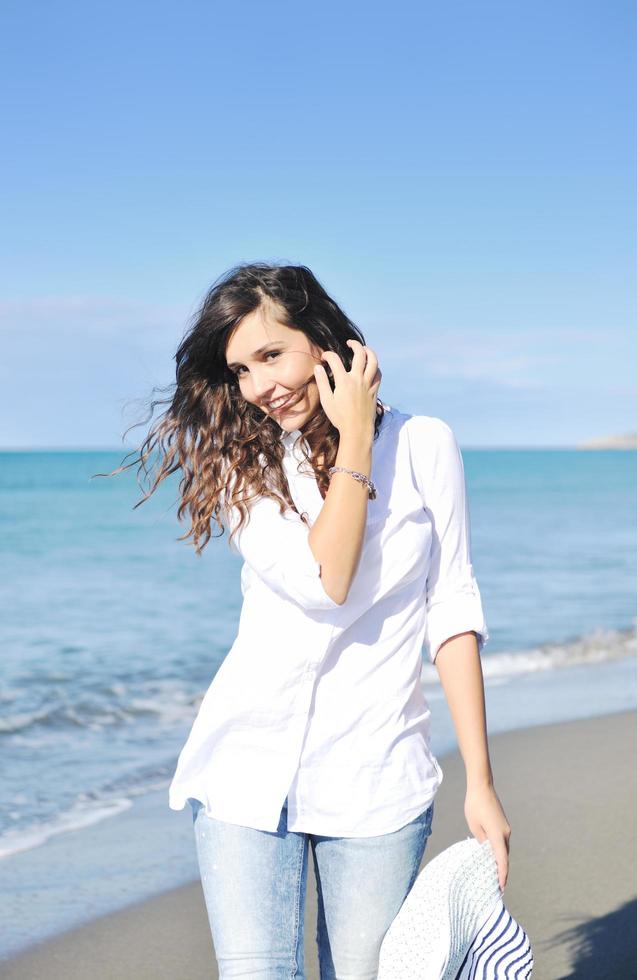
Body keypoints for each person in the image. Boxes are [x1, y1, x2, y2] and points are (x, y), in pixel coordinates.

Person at [120, 262, 511, 979]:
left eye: (271, 355)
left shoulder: (425, 444)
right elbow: (325, 579)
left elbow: (451, 607)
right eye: (240, 369)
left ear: (321, 338)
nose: (259, 386)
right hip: (244, 772)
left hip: (376, 778)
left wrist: (480, 780)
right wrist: (355, 443)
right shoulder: (245, 463)